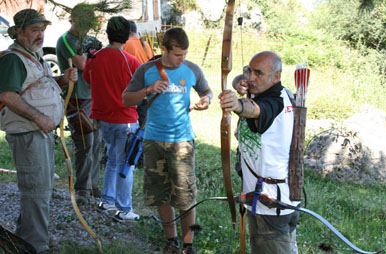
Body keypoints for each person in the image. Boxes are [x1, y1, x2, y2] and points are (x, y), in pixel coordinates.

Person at [122, 27, 213, 254]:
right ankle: (171, 241)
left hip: (182, 140)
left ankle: (188, 244)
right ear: (164, 49)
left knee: (185, 196)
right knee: (160, 194)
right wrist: (148, 89)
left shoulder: (191, 69)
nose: (182, 59)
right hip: (153, 140)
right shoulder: (146, 70)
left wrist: (206, 100)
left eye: (184, 54)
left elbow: (207, 91)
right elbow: (125, 99)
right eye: (177, 54)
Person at [0, 9, 77, 253]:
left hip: (38, 132)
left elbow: (37, 87)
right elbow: (7, 95)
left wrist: (63, 80)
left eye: (42, 29)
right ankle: (36, 245)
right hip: (27, 132)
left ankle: (28, 237)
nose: (40, 35)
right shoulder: (14, 59)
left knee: (40, 187)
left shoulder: (34, 55)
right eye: (34, 30)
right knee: (36, 190)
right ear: (19, 32)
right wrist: (40, 117)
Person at [219, 51, 300, 254]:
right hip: (274, 199)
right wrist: (240, 81)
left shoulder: (276, 102)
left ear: (276, 77)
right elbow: (248, 85)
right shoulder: (279, 92)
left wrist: (237, 104)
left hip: (270, 202)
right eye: (250, 71)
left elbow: (256, 110)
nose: (251, 78)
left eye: (258, 73)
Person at [83, 16, 141, 221]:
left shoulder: (95, 57)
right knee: (126, 163)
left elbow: (88, 81)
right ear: (126, 36)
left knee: (113, 159)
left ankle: (107, 200)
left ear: (108, 34)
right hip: (123, 118)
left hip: (102, 118)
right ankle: (124, 209)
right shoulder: (130, 60)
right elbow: (141, 88)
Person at [56, 3, 102, 203]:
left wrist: (91, 58)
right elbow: (83, 64)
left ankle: (93, 186)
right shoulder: (66, 39)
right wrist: (91, 57)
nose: (85, 27)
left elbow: (102, 62)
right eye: (81, 22)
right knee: (85, 142)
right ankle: (82, 190)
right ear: (73, 19)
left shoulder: (93, 40)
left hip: (95, 96)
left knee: (97, 143)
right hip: (76, 98)